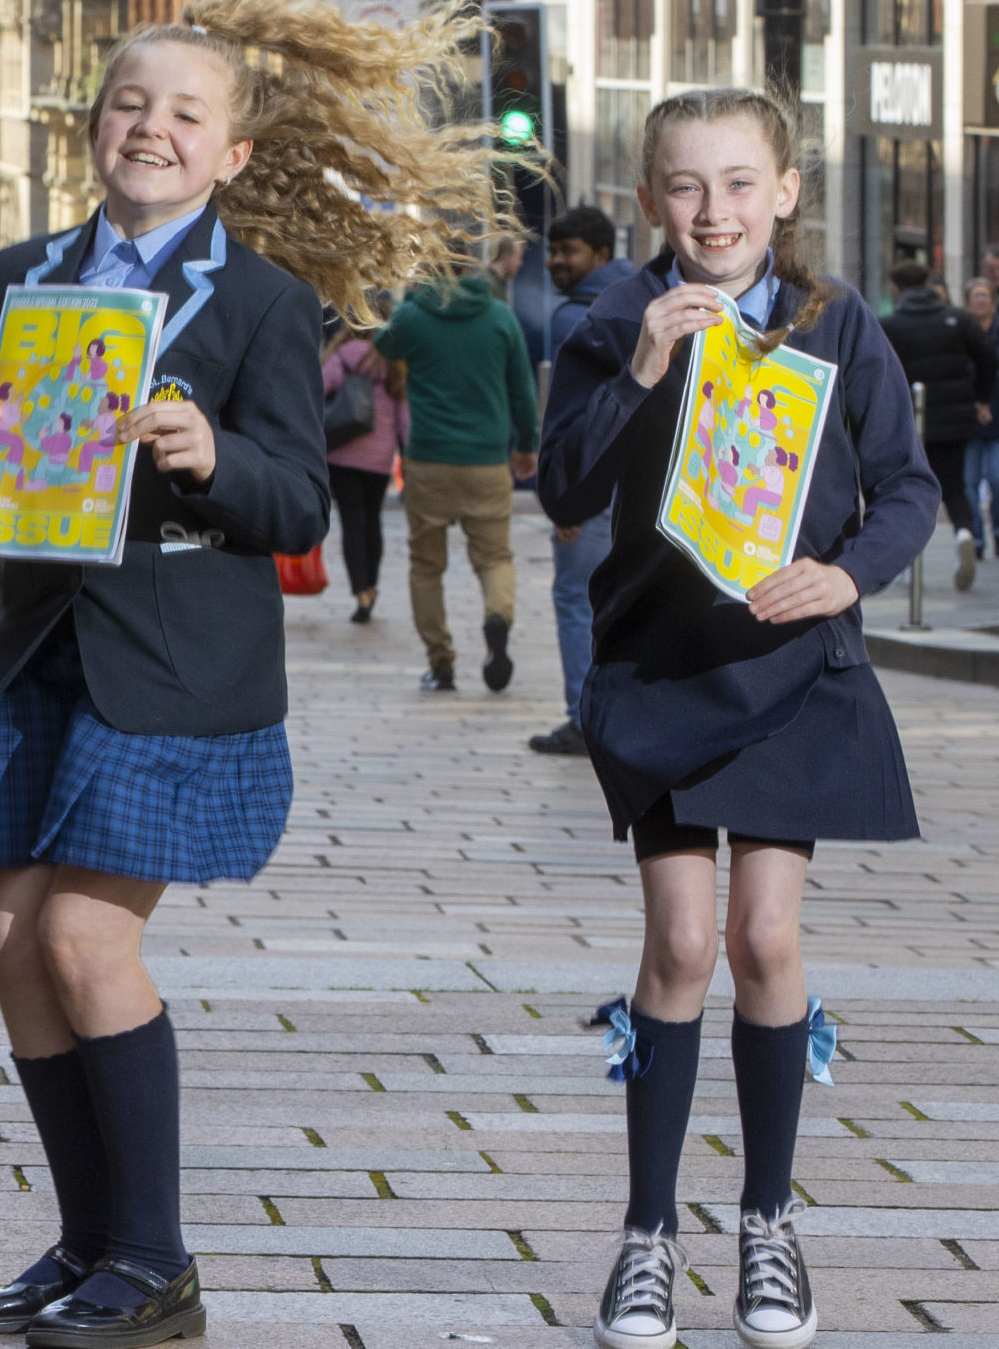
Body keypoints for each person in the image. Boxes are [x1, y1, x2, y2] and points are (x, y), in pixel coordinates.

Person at [0, 0, 511, 1349]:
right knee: (12, 938)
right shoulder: (24, 276)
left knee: (81, 935)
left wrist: (209, 458)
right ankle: (85, 1246)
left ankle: (156, 1259)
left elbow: (299, 504)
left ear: (234, 155)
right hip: (47, 647)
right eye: (132, 104)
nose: (154, 128)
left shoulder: (265, 300)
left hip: (180, 664)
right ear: (93, 127)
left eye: (187, 114)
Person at [540, 86, 936, 1349]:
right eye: (686, 187)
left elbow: (909, 489)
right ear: (653, 196)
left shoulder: (835, 320)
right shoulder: (608, 315)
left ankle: (770, 1224)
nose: (714, 212)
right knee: (683, 943)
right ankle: (646, 1236)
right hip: (661, 671)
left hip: (793, 670)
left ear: (787, 191)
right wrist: (645, 364)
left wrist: (848, 574)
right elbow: (561, 486)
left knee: (766, 939)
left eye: (739, 183)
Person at [372, 259, 540, 693]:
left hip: (429, 460)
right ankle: (496, 617)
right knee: (495, 558)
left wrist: (408, 299)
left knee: (426, 566)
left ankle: (441, 662)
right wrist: (527, 445)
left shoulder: (413, 315)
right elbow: (522, 387)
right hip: (486, 461)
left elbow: (383, 344)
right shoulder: (500, 316)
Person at [530, 206, 637, 757]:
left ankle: (586, 718)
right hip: (643, 487)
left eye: (567, 251)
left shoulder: (576, 318)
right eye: (552, 250)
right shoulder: (645, 297)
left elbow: (570, 417)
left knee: (577, 598)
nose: (555, 262)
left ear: (599, 253)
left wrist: (566, 498)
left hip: (595, 485)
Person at [878, 260, 997, 590]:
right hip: (955, 420)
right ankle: (963, 534)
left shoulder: (890, 324)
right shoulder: (957, 319)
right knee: (955, 487)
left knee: (906, 487)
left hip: (907, 422)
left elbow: (875, 371)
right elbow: (988, 358)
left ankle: (904, 561)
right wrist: (980, 398)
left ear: (897, 289)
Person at [320, 327, 406, 622]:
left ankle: (361, 593)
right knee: (372, 522)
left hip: (342, 454)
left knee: (351, 524)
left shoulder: (342, 355)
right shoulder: (391, 361)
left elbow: (317, 390)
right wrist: (405, 452)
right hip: (380, 458)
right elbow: (403, 411)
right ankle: (372, 584)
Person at [966, 278, 999, 560]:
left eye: (985, 295)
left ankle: (997, 532)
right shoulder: (960, 331)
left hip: (997, 419)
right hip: (966, 420)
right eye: (976, 295)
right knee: (969, 481)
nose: (981, 300)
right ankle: (976, 538)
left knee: (997, 478)